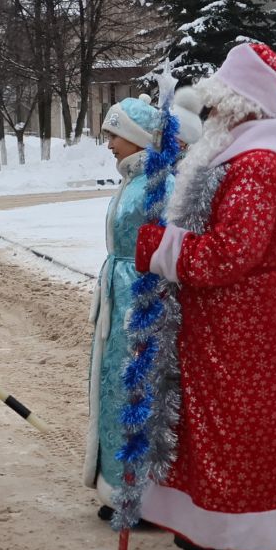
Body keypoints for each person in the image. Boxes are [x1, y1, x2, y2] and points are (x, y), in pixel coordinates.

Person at [134, 42, 276, 550]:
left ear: (242, 103)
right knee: (211, 421)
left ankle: (252, 539)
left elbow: (233, 251)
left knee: (240, 425)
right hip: (227, 314)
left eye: (217, 101)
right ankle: (215, 525)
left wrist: (160, 248)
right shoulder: (242, 154)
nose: (208, 112)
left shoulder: (255, 166)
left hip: (244, 315)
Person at [85, 96, 196, 522]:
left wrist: (152, 301)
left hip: (143, 298)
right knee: (117, 388)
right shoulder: (134, 180)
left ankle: (146, 497)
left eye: (114, 134)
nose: (109, 143)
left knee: (141, 389)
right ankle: (119, 487)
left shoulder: (158, 184)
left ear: (134, 137)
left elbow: (167, 249)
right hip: (122, 292)